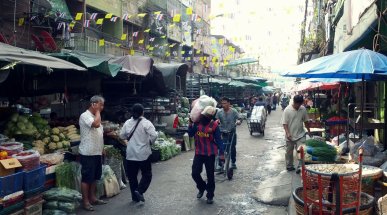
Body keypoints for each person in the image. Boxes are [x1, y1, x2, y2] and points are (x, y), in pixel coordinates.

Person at [120, 104, 158, 203]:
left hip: (131, 154)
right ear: (142, 112)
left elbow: (121, 136)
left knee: (132, 177)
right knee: (147, 174)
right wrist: (149, 142)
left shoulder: (127, 123)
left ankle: (135, 197)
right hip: (143, 155)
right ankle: (139, 191)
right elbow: (154, 135)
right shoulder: (146, 123)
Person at [189, 106, 224, 204]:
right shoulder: (197, 123)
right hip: (199, 153)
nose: (205, 117)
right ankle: (202, 187)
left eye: (208, 116)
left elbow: (219, 140)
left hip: (210, 154)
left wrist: (221, 153)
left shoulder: (214, 125)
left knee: (210, 175)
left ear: (210, 117)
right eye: (204, 115)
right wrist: (190, 125)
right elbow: (191, 134)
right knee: (195, 173)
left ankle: (210, 195)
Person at [79, 95, 107, 211]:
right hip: (88, 152)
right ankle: (85, 202)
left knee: (95, 177)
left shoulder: (96, 116)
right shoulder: (85, 116)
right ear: (93, 104)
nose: (102, 107)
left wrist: (102, 148)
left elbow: (99, 134)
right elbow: (96, 124)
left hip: (97, 152)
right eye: (101, 105)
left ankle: (93, 198)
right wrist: (97, 112)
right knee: (87, 178)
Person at [281, 95, 311, 173]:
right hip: (290, 135)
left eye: (300, 104)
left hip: (300, 134)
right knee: (289, 152)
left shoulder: (303, 109)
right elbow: (284, 123)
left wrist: (309, 130)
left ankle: (300, 166)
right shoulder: (287, 110)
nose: (298, 106)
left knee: (301, 151)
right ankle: (289, 165)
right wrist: (287, 133)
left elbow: (306, 121)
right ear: (294, 102)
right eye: (297, 104)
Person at [216, 97, 241, 169]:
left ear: (229, 103)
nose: (223, 105)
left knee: (232, 148)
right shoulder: (219, 112)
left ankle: (233, 162)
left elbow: (239, 118)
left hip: (232, 132)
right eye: (222, 103)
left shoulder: (234, 111)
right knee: (222, 148)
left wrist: (238, 121)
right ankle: (221, 164)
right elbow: (217, 119)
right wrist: (217, 121)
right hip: (223, 133)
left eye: (225, 103)